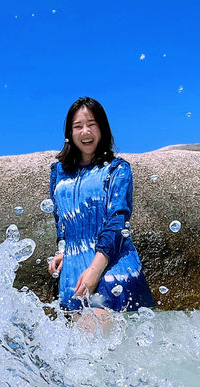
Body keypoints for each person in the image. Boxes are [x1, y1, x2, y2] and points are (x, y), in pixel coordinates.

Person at [48, 97, 154, 328]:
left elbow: (117, 221)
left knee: (97, 340)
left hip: (110, 265)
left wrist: (95, 270)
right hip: (74, 268)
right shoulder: (58, 172)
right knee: (80, 352)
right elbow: (61, 218)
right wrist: (63, 250)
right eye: (78, 126)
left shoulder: (117, 169)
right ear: (69, 132)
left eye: (91, 124)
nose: (85, 131)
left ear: (102, 128)